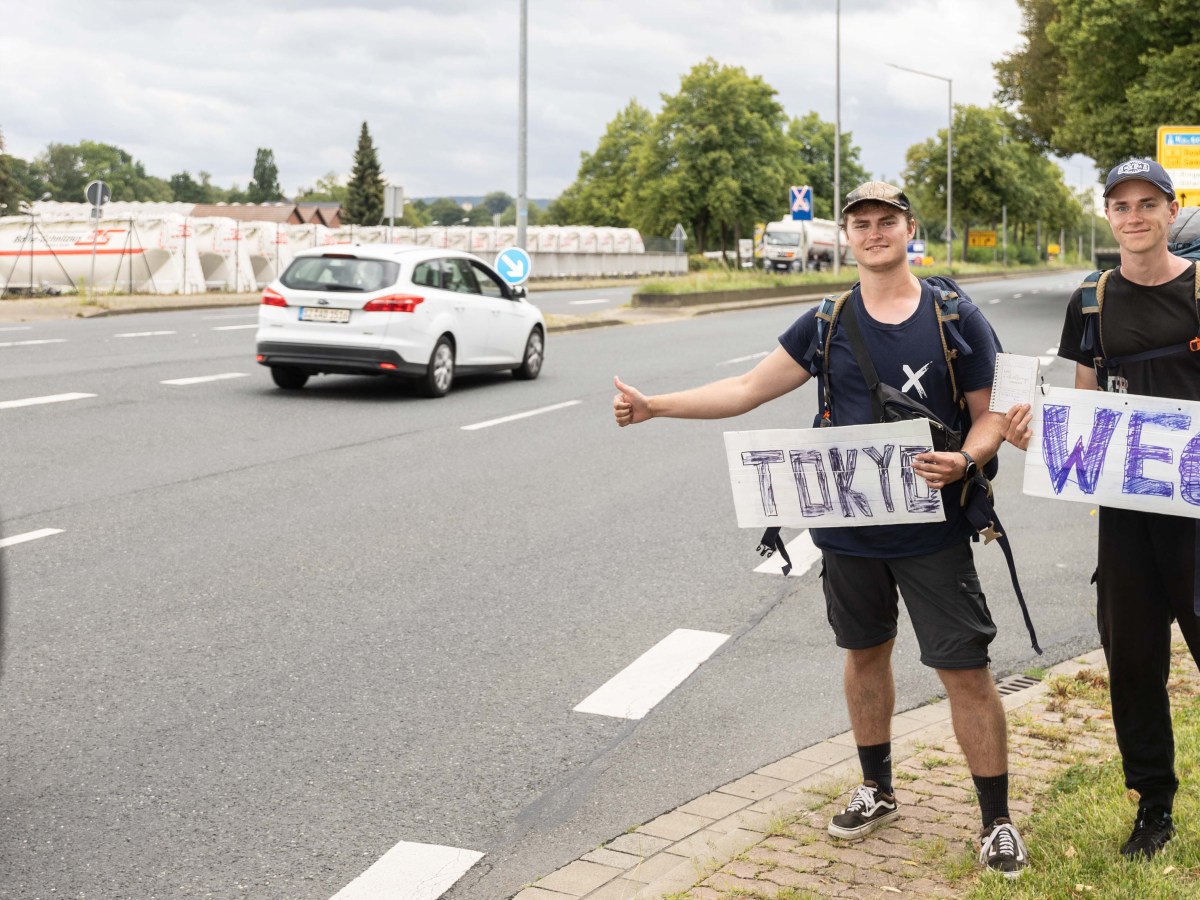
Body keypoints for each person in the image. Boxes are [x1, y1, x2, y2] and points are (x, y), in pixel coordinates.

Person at [614, 181, 1030, 877]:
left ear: (908, 229)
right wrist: (657, 406)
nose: (874, 233)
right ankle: (877, 788)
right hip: (848, 533)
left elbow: (992, 413)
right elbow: (748, 388)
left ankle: (996, 821)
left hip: (933, 531)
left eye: (886, 221)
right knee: (864, 655)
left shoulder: (955, 314)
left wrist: (965, 457)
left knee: (965, 670)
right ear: (846, 235)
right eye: (861, 223)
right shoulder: (827, 320)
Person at [1026, 157, 1198, 860]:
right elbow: (1087, 401)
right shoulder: (1091, 300)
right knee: (1132, 661)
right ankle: (1152, 806)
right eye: (1121, 205)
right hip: (1126, 512)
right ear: (1108, 216)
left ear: (1170, 210)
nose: (1134, 216)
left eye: (1147, 204)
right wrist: (1042, 433)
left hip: (1197, 508)